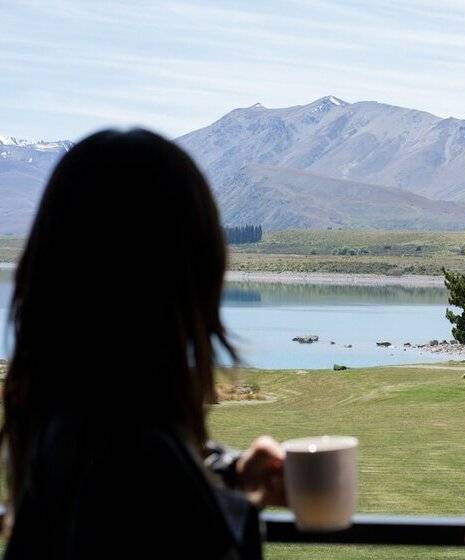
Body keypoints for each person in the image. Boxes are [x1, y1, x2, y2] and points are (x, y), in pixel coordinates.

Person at [1, 129, 286, 559]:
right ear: (191, 270)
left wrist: (229, 474)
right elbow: (147, 504)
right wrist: (242, 502)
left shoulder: (57, 418)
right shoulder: (132, 448)